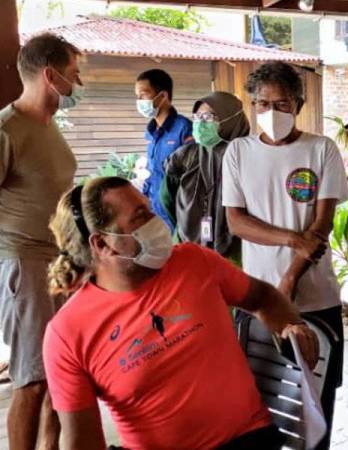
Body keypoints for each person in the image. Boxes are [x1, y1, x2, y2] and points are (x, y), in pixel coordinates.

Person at [43, 176, 320, 450]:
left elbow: (263, 298)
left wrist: (290, 326)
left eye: (149, 208)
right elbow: (83, 441)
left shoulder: (194, 261)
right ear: (102, 245)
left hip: (247, 440)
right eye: (140, 217)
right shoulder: (67, 333)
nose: (156, 221)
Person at [222, 61, 348, 449]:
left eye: (281, 104)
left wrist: (290, 278)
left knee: (317, 402)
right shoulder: (238, 152)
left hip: (315, 299)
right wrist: (293, 240)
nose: (271, 113)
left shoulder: (321, 149)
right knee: (261, 401)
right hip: (258, 299)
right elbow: (237, 222)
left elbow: (321, 226)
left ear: (298, 103)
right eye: (262, 104)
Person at [0, 32, 81, 450]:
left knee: (59, 375)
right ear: (50, 75)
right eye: (74, 74)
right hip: (24, 263)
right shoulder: (7, 129)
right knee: (30, 380)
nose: (78, 83)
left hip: (59, 264)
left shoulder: (49, 128)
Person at [161, 92, 249, 260]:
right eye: (197, 117)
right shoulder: (185, 156)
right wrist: (186, 220)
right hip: (187, 246)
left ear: (230, 119)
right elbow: (166, 197)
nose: (200, 123)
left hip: (239, 249)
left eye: (209, 117)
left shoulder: (248, 157)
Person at [135, 69, 193, 230]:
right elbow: (152, 173)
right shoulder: (151, 133)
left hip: (178, 214)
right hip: (156, 214)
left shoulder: (184, 129)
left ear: (163, 96)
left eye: (143, 95)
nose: (139, 101)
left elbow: (192, 178)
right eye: (137, 96)